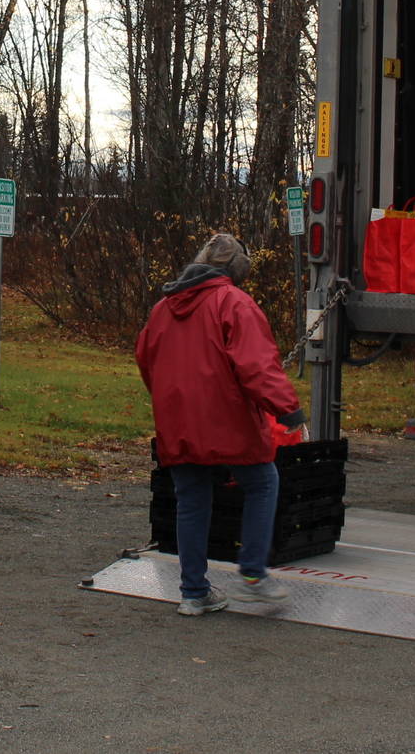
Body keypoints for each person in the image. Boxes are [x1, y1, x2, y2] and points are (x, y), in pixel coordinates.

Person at [134, 233, 306, 617]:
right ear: (236, 269)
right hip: (229, 418)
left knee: (192, 500)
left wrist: (169, 402)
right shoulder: (235, 303)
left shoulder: (162, 308)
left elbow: (146, 360)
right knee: (262, 483)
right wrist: (288, 411)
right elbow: (257, 366)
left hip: (178, 419)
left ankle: (194, 592)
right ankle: (253, 577)